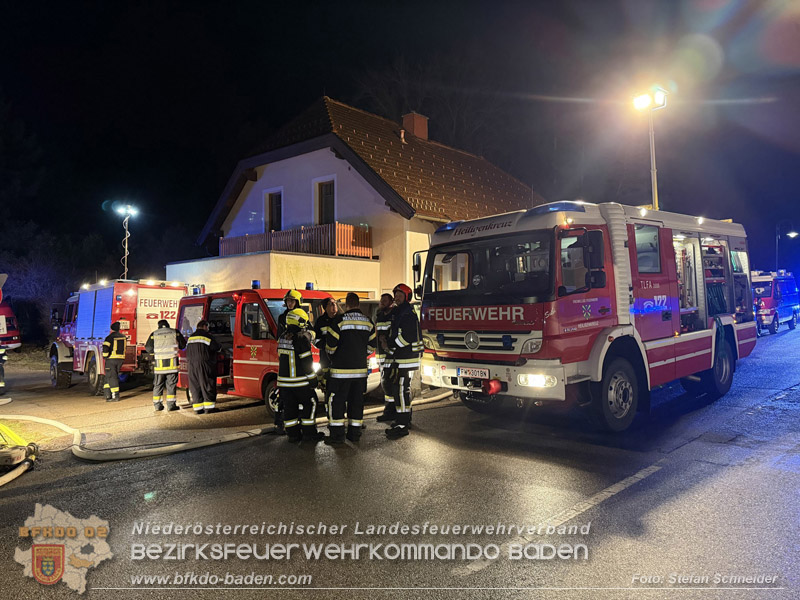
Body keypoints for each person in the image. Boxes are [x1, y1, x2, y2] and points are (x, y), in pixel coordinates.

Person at [325, 292, 376, 444]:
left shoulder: (339, 321)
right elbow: (372, 346)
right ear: (358, 304)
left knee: (338, 403)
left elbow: (330, 345)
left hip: (340, 372)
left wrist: (333, 357)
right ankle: (354, 434)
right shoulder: (368, 322)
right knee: (356, 403)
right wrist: (361, 355)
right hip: (360, 372)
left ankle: (337, 436)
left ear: (346, 305)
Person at [278, 308, 324, 443]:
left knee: (290, 408)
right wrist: (313, 380)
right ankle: (309, 434)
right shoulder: (301, 339)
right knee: (311, 403)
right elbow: (307, 362)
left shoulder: (282, 338)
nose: (305, 324)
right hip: (300, 382)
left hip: (284, 384)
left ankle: (293, 434)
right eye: (304, 321)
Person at [384, 284, 423, 439]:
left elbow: (407, 336)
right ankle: (404, 420)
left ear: (407, 296)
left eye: (400, 294)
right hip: (403, 357)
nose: (397, 297)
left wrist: (391, 345)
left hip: (407, 358)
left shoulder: (407, 312)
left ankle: (402, 424)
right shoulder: (400, 311)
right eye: (396, 294)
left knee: (400, 390)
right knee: (401, 390)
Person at [145, 319, 187, 412]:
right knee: (171, 385)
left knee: (158, 385)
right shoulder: (175, 332)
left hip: (159, 365)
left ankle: (157, 405)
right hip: (172, 364)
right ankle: (171, 405)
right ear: (168, 325)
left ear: (158, 326)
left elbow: (148, 348)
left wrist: (158, 352)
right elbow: (183, 345)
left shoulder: (154, 334)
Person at [186, 320, 221, 415]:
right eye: (207, 327)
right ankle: (209, 408)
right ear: (205, 326)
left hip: (192, 365)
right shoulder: (207, 336)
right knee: (207, 384)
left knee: (195, 386)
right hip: (204, 364)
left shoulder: (191, 337)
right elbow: (216, 347)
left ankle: (198, 408)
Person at [374, 293, 397, 422]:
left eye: (385, 300)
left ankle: (394, 412)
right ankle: (389, 411)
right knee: (386, 385)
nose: (382, 302)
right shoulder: (379, 316)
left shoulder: (394, 316)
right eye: (381, 300)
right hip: (382, 356)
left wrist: (387, 342)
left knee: (393, 386)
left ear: (391, 302)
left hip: (392, 356)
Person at [313, 297, 340, 394]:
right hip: (325, 358)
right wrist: (326, 346)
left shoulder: (342, 318)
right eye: (331, 304)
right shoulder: (321, 321)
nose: (334, 305)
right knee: (328, 388)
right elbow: (315, 339)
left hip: (340, 358)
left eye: (335, 303)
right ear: (325, 308)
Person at [101, 322, 126, 402]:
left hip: (111, 359)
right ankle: (107, 394)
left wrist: (105, 356)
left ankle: (115, 396)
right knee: (109, 376)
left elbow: (105, 347)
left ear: (111, 329)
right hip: (120, 359)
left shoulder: (109, 337)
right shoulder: (123, 337)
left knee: (112, 377)